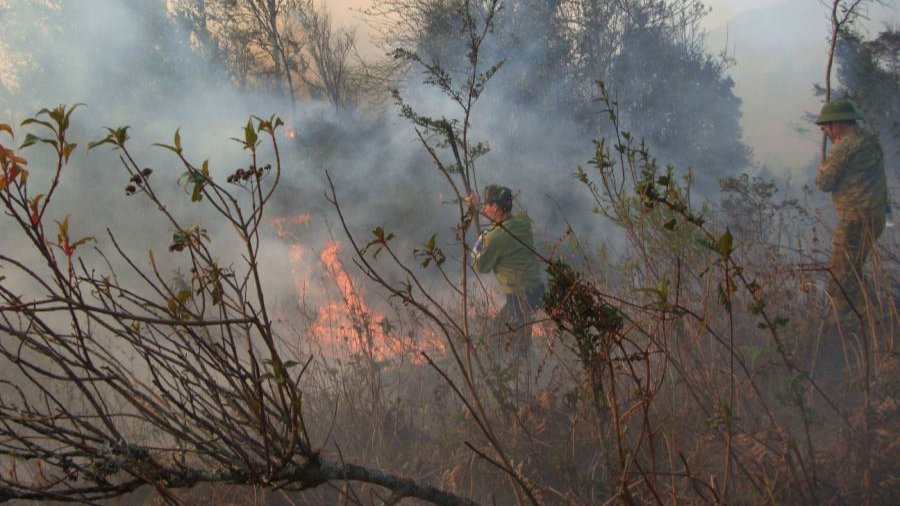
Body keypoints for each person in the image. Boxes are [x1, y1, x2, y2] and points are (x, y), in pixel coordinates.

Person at [815, 100, 888, 323]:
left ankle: (852, 324)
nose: (825, 131)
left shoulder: (845, 146)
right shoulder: (869, 140)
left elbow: (824, 183)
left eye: (826, 126)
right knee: (852, 272)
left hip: (855, 219)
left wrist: (824, 167)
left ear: (838, 123)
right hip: (876, 216)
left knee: (841, 277)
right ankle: (875, 317)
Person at [468, 184, 544, 362]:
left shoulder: (496, 237)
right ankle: (526, 371)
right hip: (535, 291)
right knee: (516, 336)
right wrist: (477, 208)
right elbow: (496, 220)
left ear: (496, 207)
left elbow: (479, 265)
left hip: (520, 297)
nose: (485, 208)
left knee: (500, 340)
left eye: (488, 204)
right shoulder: (522, 222)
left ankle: (519, 376)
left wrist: (482, 238)